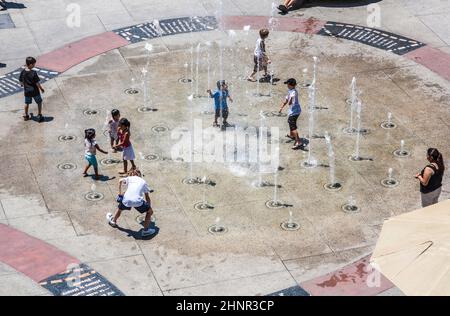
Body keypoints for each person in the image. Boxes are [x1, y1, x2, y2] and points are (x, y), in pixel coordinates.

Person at [106, 169, 156, 237]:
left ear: (132, 174)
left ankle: (113, 221)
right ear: (140, 175)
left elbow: (120, 180)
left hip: (126, 199)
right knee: (149, 212)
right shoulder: (143, 181)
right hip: (137, 201)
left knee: (120, 209)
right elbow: (147, 197)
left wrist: (120, 193)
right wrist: (149, 208)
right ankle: (146, 231)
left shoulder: (130, 178)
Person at [279, 78, 303, 150]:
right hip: (293, 111)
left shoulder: (294, 92)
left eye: (288, 84)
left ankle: (298, 142)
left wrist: (290, 102)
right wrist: (282, 107)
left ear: (291, 85)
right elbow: (287, 99)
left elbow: (292, 98)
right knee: (291, 123)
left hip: (295, 112)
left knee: (293, 126)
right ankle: (292, 135)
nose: (287, 85)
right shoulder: (290, 91)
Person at [19, 57, 45, 122]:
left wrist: (22, 84)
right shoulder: (33, 72)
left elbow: (20, 80)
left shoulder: (23, 71)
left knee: (26, 103)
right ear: (30, 64)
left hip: (27, 92)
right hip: (35, 91)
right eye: (33, 64)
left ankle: (26, 115)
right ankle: (39, 115)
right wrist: (41, 89)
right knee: (39, 102)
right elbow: (37, 83)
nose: (34, 65)